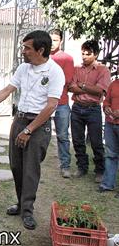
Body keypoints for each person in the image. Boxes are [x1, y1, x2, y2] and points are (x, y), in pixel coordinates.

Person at [0, 30, 64, 230]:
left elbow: (51, 106)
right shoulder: (23, 68)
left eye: (27, 48)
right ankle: (20, 203)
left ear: (41, 50)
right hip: (20, 120)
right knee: (16, 166)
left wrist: (29, 130)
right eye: (23, 47)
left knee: (31, 169)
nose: (23, 51)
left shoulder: (54, 72)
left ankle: (27, 211)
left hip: (38, 125)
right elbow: (8, 90)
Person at [68, 40, 111, 182]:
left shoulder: (102, 70)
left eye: (88, 54)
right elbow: (71, 87)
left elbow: (100, 91)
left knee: (96, 142)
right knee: (77, 140)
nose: (85, 56)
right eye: (83, 53)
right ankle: (82, 167)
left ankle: (100, 170)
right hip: (77, 108)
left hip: (93, 109)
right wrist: (88, 88)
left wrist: (83, 85)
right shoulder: (76, 68)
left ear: (96, 54)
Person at [49, 29, 75, 178]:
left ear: (61, 41)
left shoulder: (67, 58)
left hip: (61, 103)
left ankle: (65, 165)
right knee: (39, 134)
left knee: (63, 136)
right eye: (51, 39)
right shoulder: (43, 57)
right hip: (44, 103)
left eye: (56, 40)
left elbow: (66, 80)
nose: (53, 43)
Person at [99, 77, 119, 194]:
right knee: (110, 154)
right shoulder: (114, 84)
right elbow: (107, 100)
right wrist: (106, 107)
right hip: (110, 124)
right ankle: (107, 184)